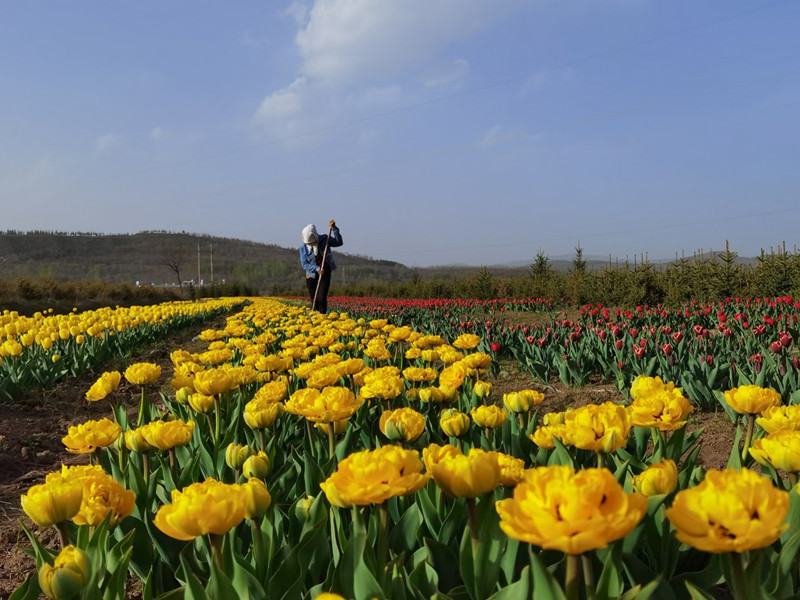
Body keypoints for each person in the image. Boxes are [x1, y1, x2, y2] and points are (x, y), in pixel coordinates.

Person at [299, 219, 342, 313]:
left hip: (325, 272)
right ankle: (315, 319)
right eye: (308, 243)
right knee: (314, 299)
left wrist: (334, 229)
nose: (309, 244)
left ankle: (323, 318)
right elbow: (304, 264)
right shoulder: (303, 248)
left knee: (321, 298)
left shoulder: (324, 239)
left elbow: (339, 242)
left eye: (311, 242)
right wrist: (316, 268)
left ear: (315, 236)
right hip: (311, 274)